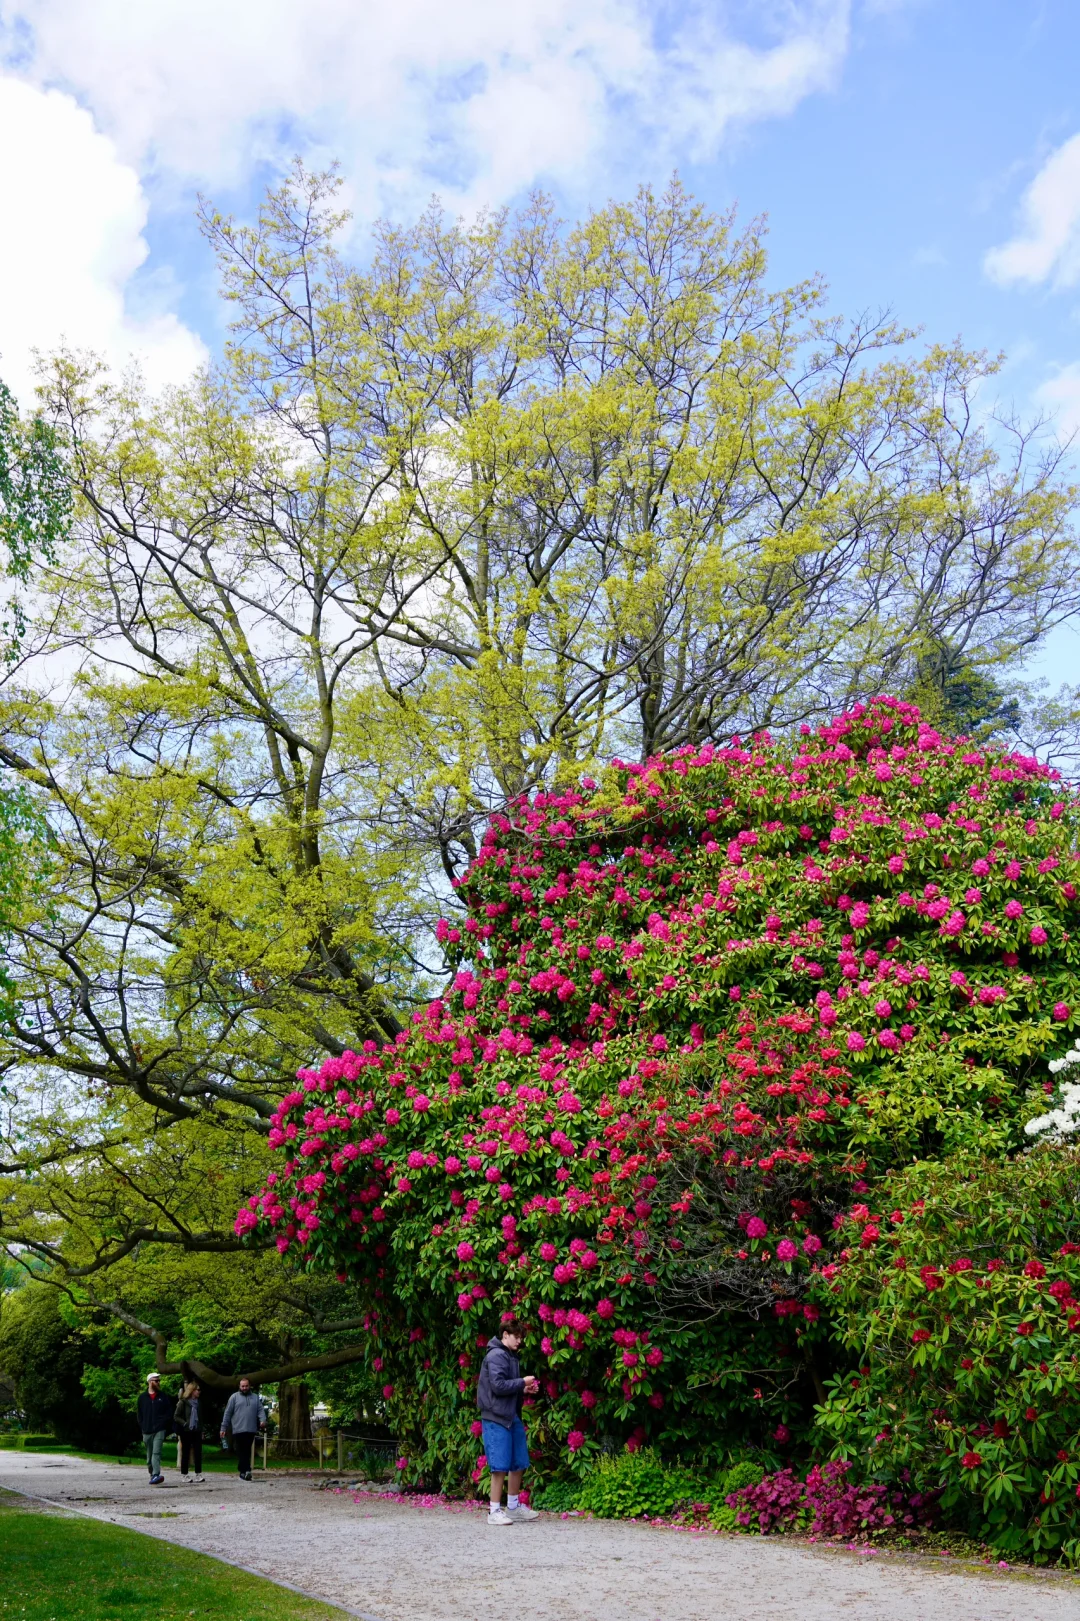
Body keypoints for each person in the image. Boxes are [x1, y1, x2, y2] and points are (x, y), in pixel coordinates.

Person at [477, 1318, 540, 1525]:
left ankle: (512, 1507)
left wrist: (523, 1389)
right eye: (516, 1337)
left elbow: (506, 1386)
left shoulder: (510, 1356)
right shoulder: (496, 1355)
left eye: (521, 1337)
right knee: (500, 1465)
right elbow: (497, 1386)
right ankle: (494, 1511)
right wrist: (522, 1382)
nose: (519, 1341)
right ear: (505, 1335)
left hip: (511, 1416)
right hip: (496, 1417)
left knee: (518, 1461)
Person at [220, 1376, 267, 1480]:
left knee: (246, 1450)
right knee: (242, 1450)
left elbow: (260, 1410)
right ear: (239, 1386)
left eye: (246, 1386)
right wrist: (223, 1428)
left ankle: (243, 1470)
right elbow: (227, 1413)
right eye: (243, 1386)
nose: (244, 1388)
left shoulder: (255, 1397)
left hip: (251, 1429)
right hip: (238, 1429)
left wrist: (263, 1420)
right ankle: (246, 1470)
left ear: (249, 1386)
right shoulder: (234, 1397)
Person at [137, 1372, 173, 1485]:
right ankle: (152, 1473)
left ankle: (156, 1474)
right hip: (147, 1430)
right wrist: (143, 1426)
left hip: (159, 1429)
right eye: (156, 1380)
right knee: (149, 1457)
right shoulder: (142, 1398)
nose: (158, 1382)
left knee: (156, 1453)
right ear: (150, 1382)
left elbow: (169, 1412)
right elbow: (139, 1414)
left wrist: (163, 1423)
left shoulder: (163, 1397)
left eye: (159, 1380)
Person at [173, 1380, 205, 1483]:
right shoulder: (183, 1402)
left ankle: (198, 1474)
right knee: (185, 1452)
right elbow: (176, 1416)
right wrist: (185, 1423)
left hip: (197, 1430)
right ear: (192, 1390)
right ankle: (184, 1474)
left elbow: (201, 1418)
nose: (199, 1392)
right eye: (197, 1390)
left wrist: (202, 1430)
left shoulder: (199, 1403)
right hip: (186, 1431)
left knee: (198, 1453)